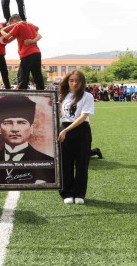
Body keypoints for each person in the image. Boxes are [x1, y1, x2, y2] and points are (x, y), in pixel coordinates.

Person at [0, 94, 55, 185]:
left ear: (31, 128)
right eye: (7, 123)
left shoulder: (48, 162)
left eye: (21, 123)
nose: (15, 129)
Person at [58, 70, 95, 205]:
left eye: (77, 81)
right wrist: (58, 109)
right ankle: (66, 192)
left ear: (82, 83)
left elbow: (83, 117)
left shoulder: (87, 96)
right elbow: (62, 116)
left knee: (81, 164)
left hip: (81, 131)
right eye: (71, 80)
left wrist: (66, 130)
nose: (74, 83)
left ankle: (79, 193)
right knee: (65, 163)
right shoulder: (63, 95)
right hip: (64, 130)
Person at [0, 14, 43, 90]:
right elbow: (39, 34)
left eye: (11, 24)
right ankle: (42, 94)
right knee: (37, 76)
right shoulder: (30, 24)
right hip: (37, 53)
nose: (11, 27)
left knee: (22, 76)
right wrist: (33, 40)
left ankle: (21, 96)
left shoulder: (18, 26)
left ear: (14, 21)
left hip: (27, 53)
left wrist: (1, 30)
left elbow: (7, 36)